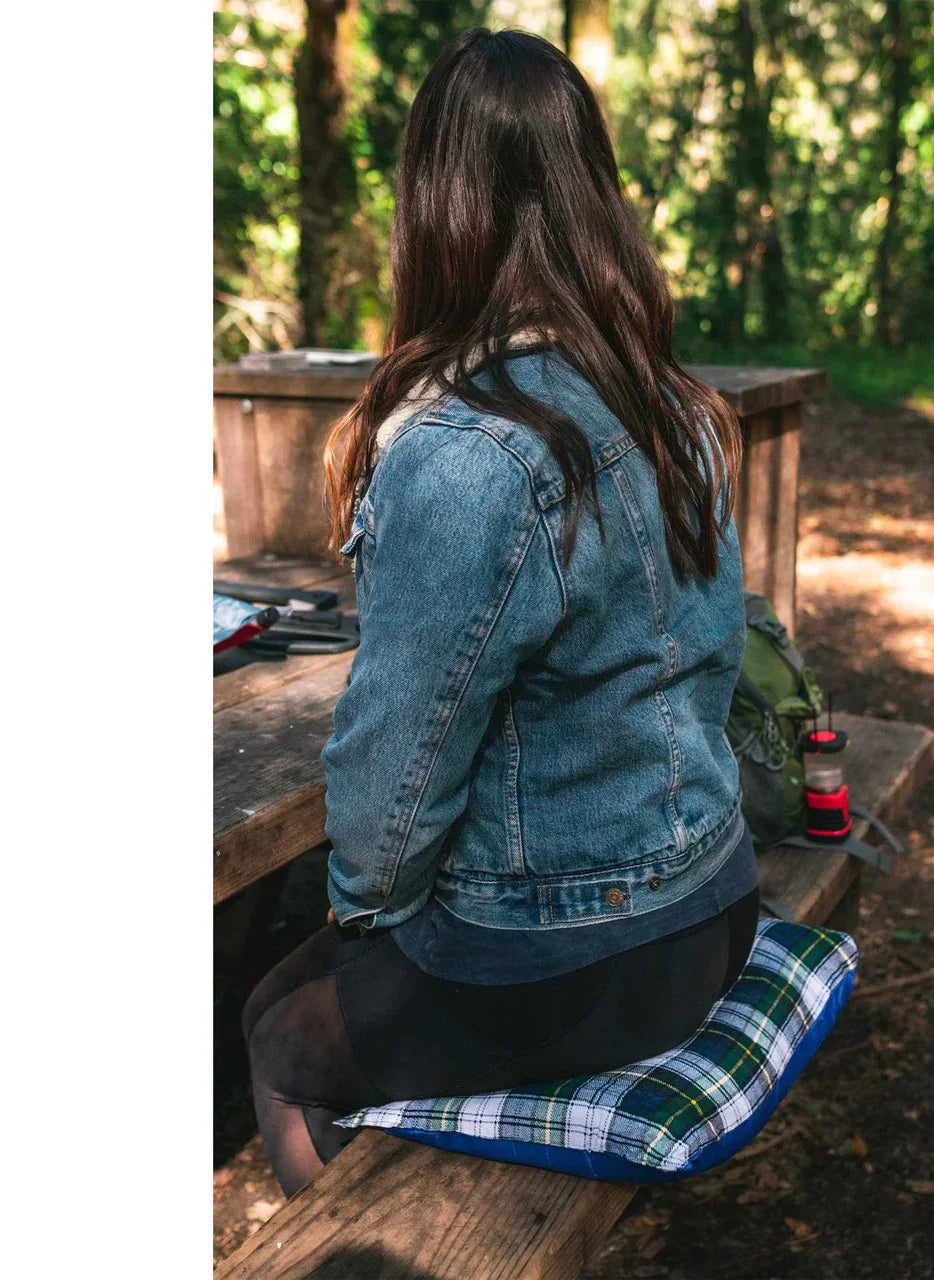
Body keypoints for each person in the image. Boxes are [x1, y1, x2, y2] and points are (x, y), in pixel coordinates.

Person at [243, 26, 759, 1197]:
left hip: (580, 955)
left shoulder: (467, 446)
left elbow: (399, 766)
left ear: (433, 206)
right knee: (308, 980)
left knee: (277, 1028)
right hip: (716, 897)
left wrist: (363, 908)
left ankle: (371, 1239)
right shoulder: (671, 402)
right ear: (593, 197)